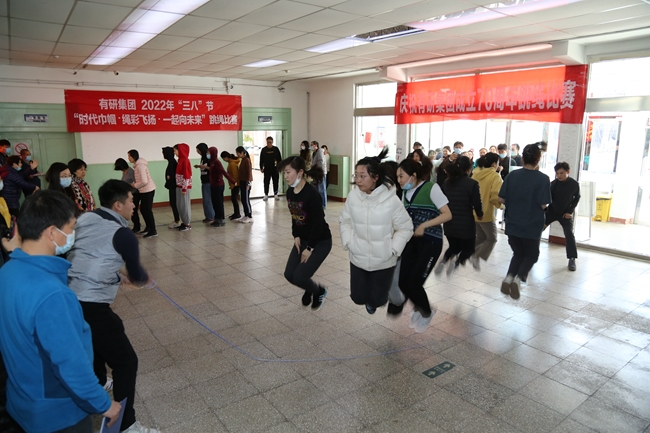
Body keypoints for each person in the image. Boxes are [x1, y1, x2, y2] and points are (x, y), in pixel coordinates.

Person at [0, 190, 122, 433]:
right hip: (58, 414)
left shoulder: (7, 272)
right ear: (52, 232)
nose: (73, 234)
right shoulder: (52, 294)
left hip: (24, 400)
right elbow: (70, 362)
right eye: (71, 227)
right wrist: (103, 404)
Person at [68, 180, 158, 433]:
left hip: (66, 298)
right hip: (91, 304)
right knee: (126, 361)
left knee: (94, 344)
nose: (134, 205)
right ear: (118, 205)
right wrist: (142, 279)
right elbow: (138, 275)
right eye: (131, 200)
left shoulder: (86, 218)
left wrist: (118, 276)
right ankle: (125, 425)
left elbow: (88, 256)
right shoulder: (123, 234)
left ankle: (97, 386)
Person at [339, 148, 413, 315]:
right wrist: (348, 242)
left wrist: (393, 249)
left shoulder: (391, 200)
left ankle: (377, 300)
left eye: (362, 176)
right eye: (356, 175)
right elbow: (344, 220)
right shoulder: (353, 197)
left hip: (383, 260)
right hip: (358, 256)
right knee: (357, 297)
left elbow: (405, 227)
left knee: (378, 300)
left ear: (375, 177)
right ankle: (369, 299)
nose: (358, 180)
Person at [394, 158, 452, 333]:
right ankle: (420, 308)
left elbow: (447, 214)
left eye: (401, 176)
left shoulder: (431, 188)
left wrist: (425, 225)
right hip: (411, 242)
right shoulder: (405, 193)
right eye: (397, 177)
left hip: (431, 243)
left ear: (413, 175)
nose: (399, 180)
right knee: (403, 282)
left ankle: (427, 312)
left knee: (414, 283)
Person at [498, 143, 551, 299]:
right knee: (532, 254)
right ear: (538, 159)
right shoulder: (543, 179)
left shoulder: (512, 176)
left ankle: (509, 277)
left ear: (522, 158)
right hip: (532, 224)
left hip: (513, 222)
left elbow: (501, 198)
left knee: (518, 252)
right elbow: (544, 204)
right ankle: (519, 278)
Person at [280, 156, 332, 310]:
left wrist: (309, 248)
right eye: (284, 173)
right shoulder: (290, 192)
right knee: (289, 275)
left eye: (288, 172)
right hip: (302, 239)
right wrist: (296, 235)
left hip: (320, 241)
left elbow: (318, 224)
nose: (286, 176)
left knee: (299, 277)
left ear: (300, 172)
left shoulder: (312, 194)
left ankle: (319, 291)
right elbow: (294, 217)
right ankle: (310, 288)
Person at [436, 156, 483, 275]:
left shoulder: (447, 182)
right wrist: (480, 214)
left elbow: (440, 200)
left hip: (449, 223)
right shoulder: (472, 183)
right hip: (466, 224)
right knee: (469, 249)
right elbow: (477, 203)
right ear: (468, 169)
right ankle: (455, 263)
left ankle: (443, 261)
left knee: (454, 247)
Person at [545, 162, 580, 271]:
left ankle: (572, 258)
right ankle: (528, 253)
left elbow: (576, 198)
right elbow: (547, 199)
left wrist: (570, 211)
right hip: (552, 211)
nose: (559, 175)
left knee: (569, 233)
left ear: (568, 172)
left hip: (565, 214)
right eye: (557, 173)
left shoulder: (574, 184)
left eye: (562, 173)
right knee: (537, 229)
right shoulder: (553, 184)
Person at [470, 153, 503, 269]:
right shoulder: (495, 176)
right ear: (494, 164)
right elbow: (495, 196)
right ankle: (476, 255)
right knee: (492, 238)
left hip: (473, 211)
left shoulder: (475, 173)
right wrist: (501, 206)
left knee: (481, 237)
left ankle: (471, 253)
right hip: (486, 213)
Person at [128, 149, 157, 238]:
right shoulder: (137, 165)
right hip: (144, 190)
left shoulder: (140, 166)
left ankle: (153, 230)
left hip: (148, 190)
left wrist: (134, 185)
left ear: (133, 157)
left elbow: (144, 181)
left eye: (129, 156)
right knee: (144, 210)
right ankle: (148, 227)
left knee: (147, 210)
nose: (128, 158)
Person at [206, 147, 235, 227]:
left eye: (209, 153)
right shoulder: (211, 161)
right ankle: (216, 218)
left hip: (218, 185)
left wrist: (233, 181)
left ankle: (221, 220)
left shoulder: (217, 162)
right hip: (213, 185)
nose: (207, 154)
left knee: (219, 203)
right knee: (214, 203)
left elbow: (224, 172)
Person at [115, 157, 141, 233]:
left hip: (134, 193)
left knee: (133, 211)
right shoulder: (124, 172)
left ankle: (137, 226)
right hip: (128, 194)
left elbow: (135, 183)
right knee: (130, 210)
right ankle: (135, 225)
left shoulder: (131, 172)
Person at [194, 143, 215, 223]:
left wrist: (205, 167)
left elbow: (213, 168)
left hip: (208, 181)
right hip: (204, 181)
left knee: (208, 200)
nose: (198, 152)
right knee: (205, 200)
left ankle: (211, 216)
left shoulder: (208, 157)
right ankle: (208, 216)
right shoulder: (203, 158)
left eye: (198, 150)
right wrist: (199, 166)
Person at [174, 143, 193, 231]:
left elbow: (187, 175)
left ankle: (187, 223)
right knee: (180, 205)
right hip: (179, 186)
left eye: (175, 150)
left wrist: (184, 187)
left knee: (185, 205)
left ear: (180, 150)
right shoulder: (180, 160)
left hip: (184, 187)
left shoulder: (185, 160)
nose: (174, 153)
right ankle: (184, 222)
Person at [162, 146, 181, 229]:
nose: (163, 155)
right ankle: (176, 219)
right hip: (172, 186)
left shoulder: (172, 163)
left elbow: (172, 176)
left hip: (173, 186)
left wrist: (168, 181)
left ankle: (177, 220)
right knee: (173, 203)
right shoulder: (171, 162)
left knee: (174, 203)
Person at [260, 137, 282, 201]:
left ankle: (276, 194)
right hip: (267, 169)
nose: (269, 144)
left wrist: (280, 167)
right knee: (266, 182)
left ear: (272, 142)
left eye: (270, 142)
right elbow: (261, 160)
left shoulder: (276, 149)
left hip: (275, 169)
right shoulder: (264, 150)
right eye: (268, 142)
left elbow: (279, 159)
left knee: (275, 181)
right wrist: (261, 167)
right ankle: (266, 195)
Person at [221, 151, 241, 220]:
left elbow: (235, 175)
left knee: (234, 199)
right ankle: (236, 213)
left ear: (226, 157)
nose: (224, 160)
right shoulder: (231, 163)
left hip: (235, 184)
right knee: (233, 199)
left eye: (224, 159)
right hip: (234, 184)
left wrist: (234, 183)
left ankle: (237, 214)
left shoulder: (232, 164)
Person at [236, 146, 253, 223]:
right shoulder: (243, 160)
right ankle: (246, 215)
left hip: (246, 183)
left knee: (246, 200)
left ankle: (249, 216)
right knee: (243, 199)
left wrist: (248, 183)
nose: (237, 154)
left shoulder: (247, 160)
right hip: (242, 182)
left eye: (238, 153)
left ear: (242, 153)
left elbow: (249, 173)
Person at [310, 140, 328, 208]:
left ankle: (323, 204)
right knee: (316, 189)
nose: (311, 146)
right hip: (315, 172)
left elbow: (321, 162)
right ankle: (317, 203)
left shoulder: (320, 151)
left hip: (321, 172)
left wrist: (314, 166)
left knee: (321, 189)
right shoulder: (313, 153)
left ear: (316, 145)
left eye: (312, 145)